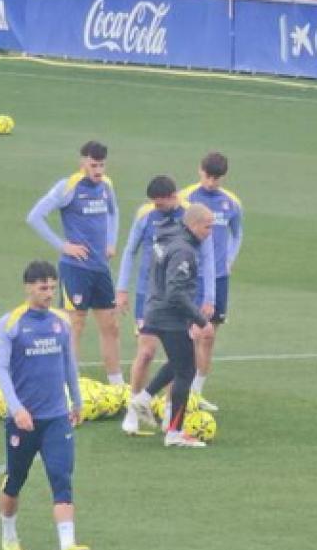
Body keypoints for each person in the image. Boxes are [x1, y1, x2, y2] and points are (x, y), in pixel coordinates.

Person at [0, 260, 89, 550]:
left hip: (56, 418)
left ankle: (67, 548)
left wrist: (76, 400)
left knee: (62, 479)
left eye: (52, 287)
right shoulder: (11, 323)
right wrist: (16, 408)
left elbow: (68, 365)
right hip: (23, 421)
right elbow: (1, 370)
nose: (49, 293)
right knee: (15, 480)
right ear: (28, 287)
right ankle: (9, 536)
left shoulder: (61, 321)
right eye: (43, 288)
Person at [115, 176, 216, 436]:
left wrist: (208, 298)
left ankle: (164, 410)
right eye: (155, 205)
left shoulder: (189, 219)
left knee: (179, 358)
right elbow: (130, 250)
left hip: (170, 298)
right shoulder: (150, 218)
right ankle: (140, 410)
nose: (158, 209)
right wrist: (122, 288)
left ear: (173, 197)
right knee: (150, 354)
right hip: (158, 298)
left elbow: (207, 258)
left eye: (161, 205)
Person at [26, 141, 123, 386]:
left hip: (101, 268)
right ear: (82, 163)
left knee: (111, 325)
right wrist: (63, 246)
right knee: (75, 324)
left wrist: (111, 241)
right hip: (76, 268)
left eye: (101, 165)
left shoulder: (106, 185)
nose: (98, 170)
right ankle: (70, 382)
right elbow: (35, 217)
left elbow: (114, 212)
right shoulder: (68, 187)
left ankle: (117, 383)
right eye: (93, 165)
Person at [179, 152, 243, 411]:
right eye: (208, 177)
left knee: (208, 336)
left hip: (218, 278)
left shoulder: (231, 203)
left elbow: (237, 233)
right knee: (188, 336)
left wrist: (229, 257)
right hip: (192, 278)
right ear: (200, 171)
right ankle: (181, 390)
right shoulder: (186, 199)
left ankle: (197, 392)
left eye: (216, 179)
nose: (211, 183)